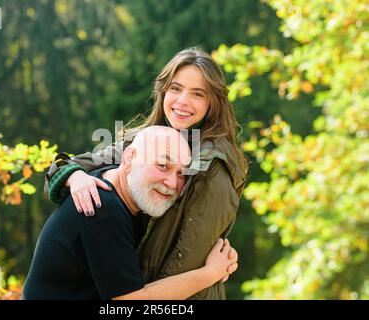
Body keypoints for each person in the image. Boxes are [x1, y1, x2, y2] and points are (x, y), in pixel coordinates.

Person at [45, 47, 247, 299]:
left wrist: (134, 293)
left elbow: (184, 262)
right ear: (163, 91)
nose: (182, 101)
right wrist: (75, 177)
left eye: (197, 94)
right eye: (175, 88)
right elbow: (67, 165)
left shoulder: (212, 167)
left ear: (213, 103)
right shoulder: (144, 140)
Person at [24, 126, 237, 299]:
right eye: (163, 165)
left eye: (181, 174)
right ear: (128, 159)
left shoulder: (118, 188)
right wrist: (210, 273)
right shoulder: (101, 209)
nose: (172, 182)